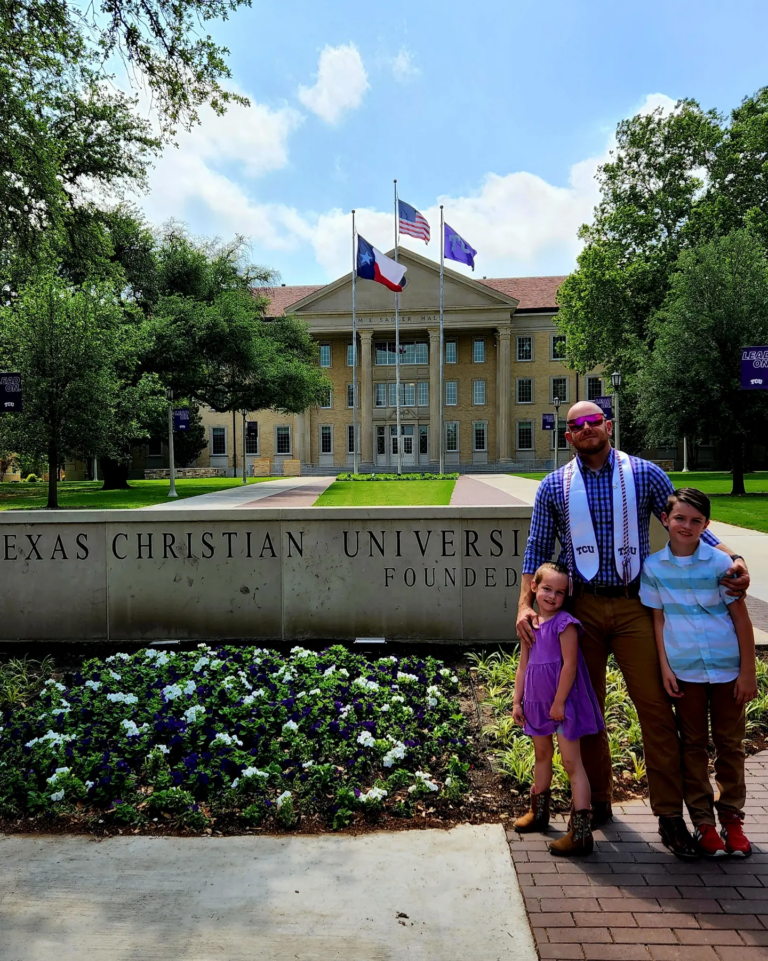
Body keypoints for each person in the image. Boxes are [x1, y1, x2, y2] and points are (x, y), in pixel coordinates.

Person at [517, 401, 750, 860]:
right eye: (575, 425)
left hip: (634, 606)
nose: (585, 429)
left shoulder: (643, 474)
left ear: (608, 425)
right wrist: (525, 604)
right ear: (568, 436)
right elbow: (537, 549)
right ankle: (597, 803)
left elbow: (686, 524)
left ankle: (668, 816)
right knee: (584, 713)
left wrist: (733, 555)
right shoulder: (554, 486)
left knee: (658, 712)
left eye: (592, 422)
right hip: (579, 611)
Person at [640, 488, 758, 857]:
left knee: (729, 745)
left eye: (695, 520)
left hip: (726, 669)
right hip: (685, 670)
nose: (686, 526)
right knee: (691, 745)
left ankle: (732, 818)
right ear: (665, 520)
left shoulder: (721, 565)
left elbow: (741, 620)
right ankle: (704, 823)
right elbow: (658, 621)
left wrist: (747, 673)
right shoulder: (653, 567)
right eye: (679, 518)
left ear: (707, 525)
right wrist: (665, 667)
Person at [512, 562, 605, 856]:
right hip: (536, 703)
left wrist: (559, 702)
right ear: (534, 588)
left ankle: (580, 832)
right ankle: (538, 812)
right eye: (547, 589)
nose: (552, 596)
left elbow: (570, 666)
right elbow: (523, 665)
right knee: (542, 755)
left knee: (571, 763)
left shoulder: (565, 624)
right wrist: (517, 700)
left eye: (560, 592)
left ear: (567, 596)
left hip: (561, 705)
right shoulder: (531, 625)